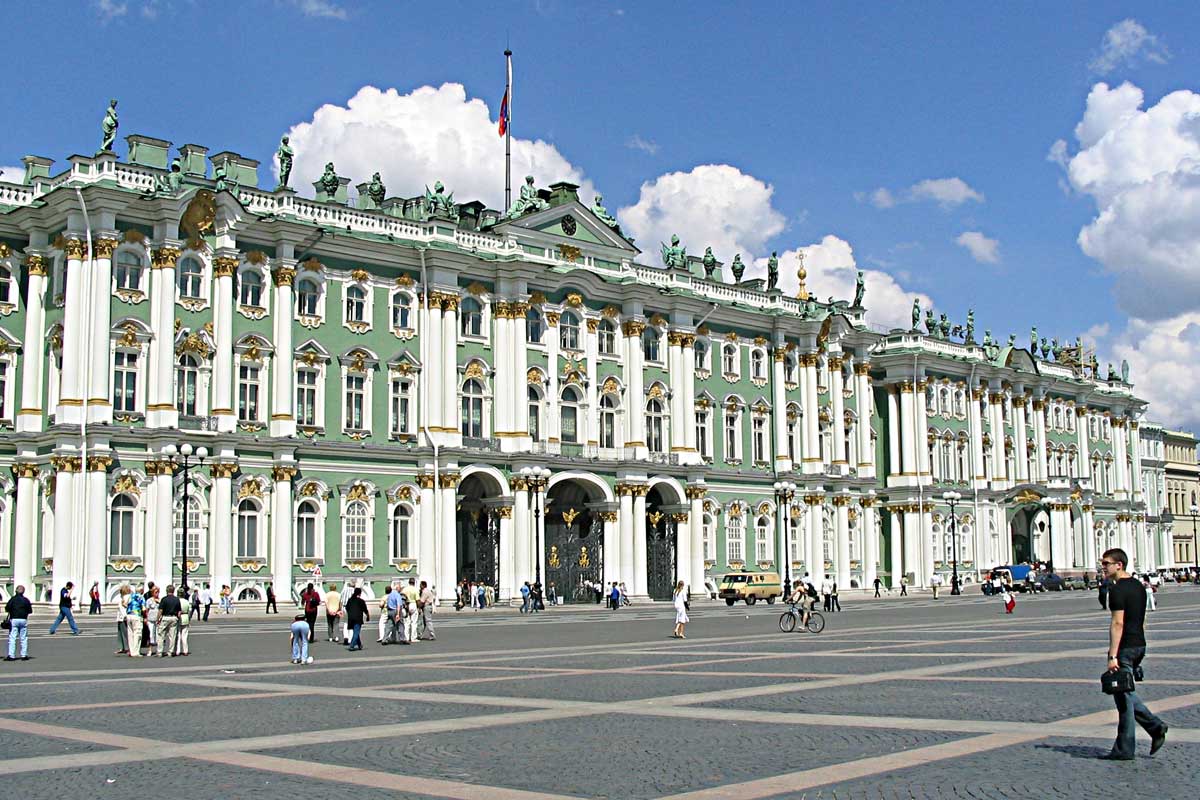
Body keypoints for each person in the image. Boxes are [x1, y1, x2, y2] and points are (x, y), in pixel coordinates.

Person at [1100, 548, 1168, 760]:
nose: (1103, 567)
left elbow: (1118, 623)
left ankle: (1124, 749)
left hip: (1126, 647)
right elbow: (1142, 618)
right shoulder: (1138, 586)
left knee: (1123, 701)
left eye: (1106, 563)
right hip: (1139, 643)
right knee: (1126, 693)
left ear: (1118, 565)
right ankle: (1155, 728)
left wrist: (1112, 656)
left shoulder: (1118, 590)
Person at [4, 585, 33, 661]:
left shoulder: (13, 599)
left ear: (16, 591)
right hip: (23, 619)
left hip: (14, 619)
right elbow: (30, 611)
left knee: (12, 637)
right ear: (23, 591)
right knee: (23, 638)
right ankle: (24, 655)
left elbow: (7, 608)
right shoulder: (26, 600)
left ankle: (11, 655)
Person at [157, 585, 181, 657]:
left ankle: (159, 652)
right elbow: (179, 611)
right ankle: (170, 652)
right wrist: (178, 618)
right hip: (173, 618)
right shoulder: (177, 599)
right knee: (172, 636)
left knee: (161, 635)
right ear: (173, 591)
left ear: (167, 591)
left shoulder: (164, 599)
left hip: (165, 617)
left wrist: (158, 619)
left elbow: (160, 610)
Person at [344, 587, 368, 651]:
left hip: (351, 618)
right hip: (358, 618)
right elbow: (365, 610)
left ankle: (359, 645)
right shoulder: (361, 601)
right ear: (360, 593)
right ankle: (352, 645)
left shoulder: (350, 600)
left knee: (355, 632)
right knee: (356, 633)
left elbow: (347, 608)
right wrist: (368, 616)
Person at [126, 585, 145, 656]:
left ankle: (131, 651)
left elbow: (125, 604)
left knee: (130, 634)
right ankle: (136, 652)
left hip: (129, 615)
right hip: (136, 615)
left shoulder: (131, 596)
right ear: (141, 590)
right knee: (137, 633)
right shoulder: (141, 597)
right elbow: (144, 608)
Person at [403, 578, 421, 644]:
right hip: (413, 604)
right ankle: (413, 637)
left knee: (406, 623)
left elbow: (402, 597)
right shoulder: (415, 589)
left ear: (409, 582)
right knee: (414, 622)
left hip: (406, 605)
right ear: (414, 583)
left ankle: (406, 637)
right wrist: (419, 608)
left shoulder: (404, 589)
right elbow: (418, 600)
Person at [115, 585, 131, 655]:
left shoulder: (127, 597)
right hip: (120, 617)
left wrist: (125, 616)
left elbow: (125, 608)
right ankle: (122, 647)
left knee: (125, 633)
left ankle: (127, 648)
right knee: (121, 633)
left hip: (123, 617)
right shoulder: (122, 597)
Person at [176, 588, 191, 656]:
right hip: (185, 617)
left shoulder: (176, 601)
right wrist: (189, 618)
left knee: (178, 635)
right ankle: (185, 650)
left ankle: (178, 650)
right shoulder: (186, 601)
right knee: (184, 636)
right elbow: (189, 611)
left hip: (178, 618)